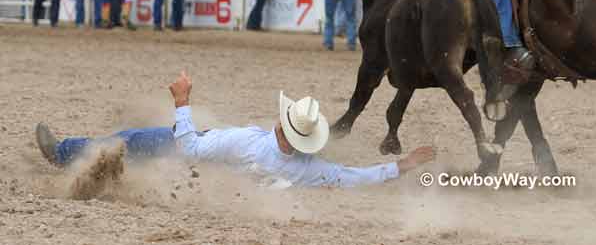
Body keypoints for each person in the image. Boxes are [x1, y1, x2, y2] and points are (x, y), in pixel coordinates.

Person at [35, 71, 435, 190]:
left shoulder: (248, 143)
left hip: (189, 156)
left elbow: (189, 147)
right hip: (210, 173)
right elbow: (353, 177)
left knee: (131, 141)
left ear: (283, 128)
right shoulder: (309, 171)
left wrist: (182, 102)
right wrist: (400, 167)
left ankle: (64, 153)